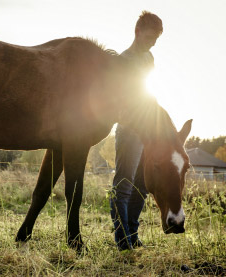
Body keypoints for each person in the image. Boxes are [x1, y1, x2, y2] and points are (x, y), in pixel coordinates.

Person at [110, 11, 163, 251]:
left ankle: (132, 233)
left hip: (147, 130)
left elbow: (148, 92)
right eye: (151, 37)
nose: (153, 43)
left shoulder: (149, 58)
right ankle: (122, 240)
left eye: (157, 39)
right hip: (130, 129)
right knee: (124, 184)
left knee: (142, 184)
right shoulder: (122, 60)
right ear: (137, 32)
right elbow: (118, 100)